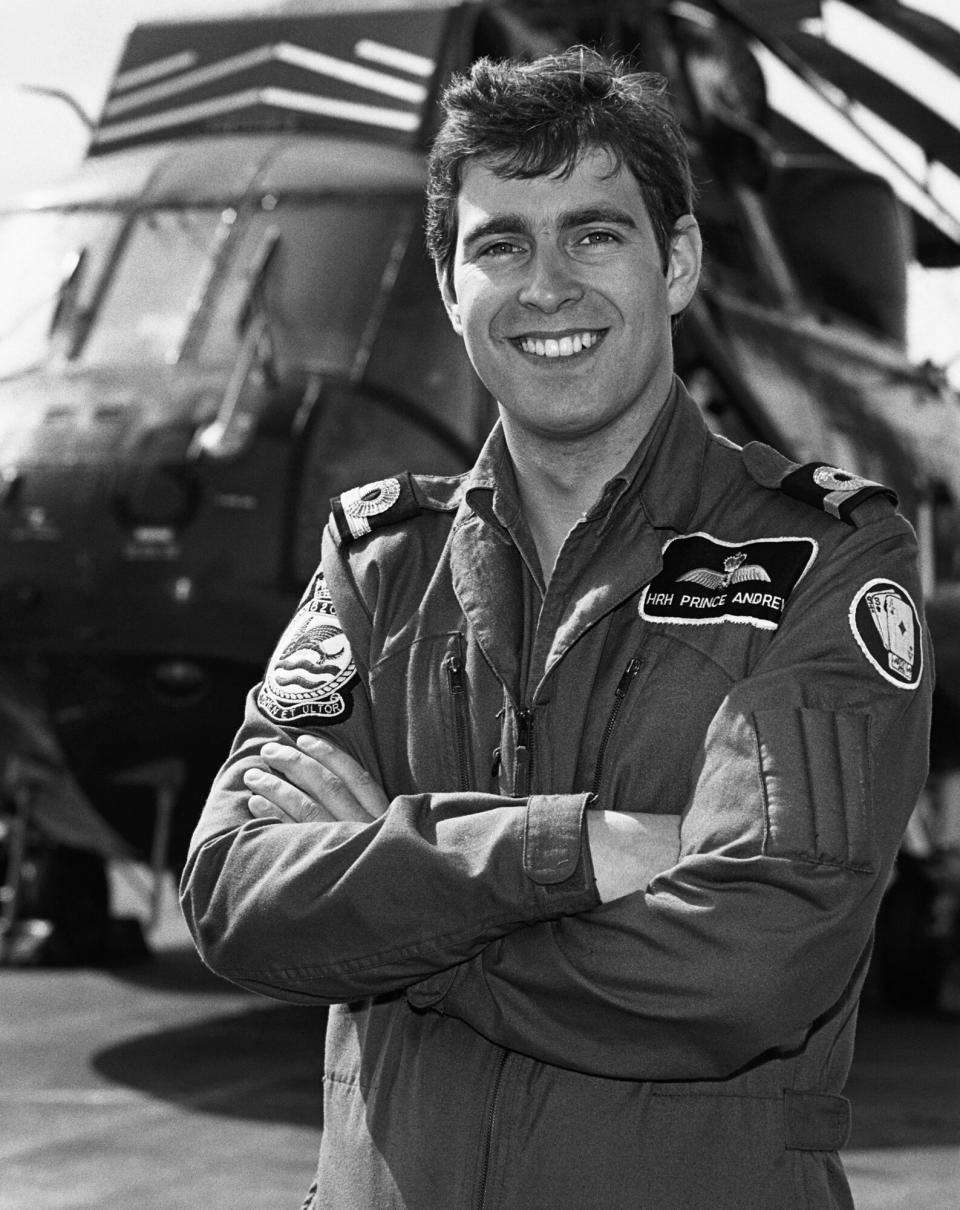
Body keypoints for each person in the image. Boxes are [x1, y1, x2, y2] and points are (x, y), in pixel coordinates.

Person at [180, 49, 932, 1210]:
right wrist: (565, 850)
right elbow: (235, 892)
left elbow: (750, 966)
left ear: (675, 263)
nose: (546, 287)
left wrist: (398, 902)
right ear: (448, 285)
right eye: (500, 243)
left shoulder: (826, 558)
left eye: (594, 234)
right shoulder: (383, 564)